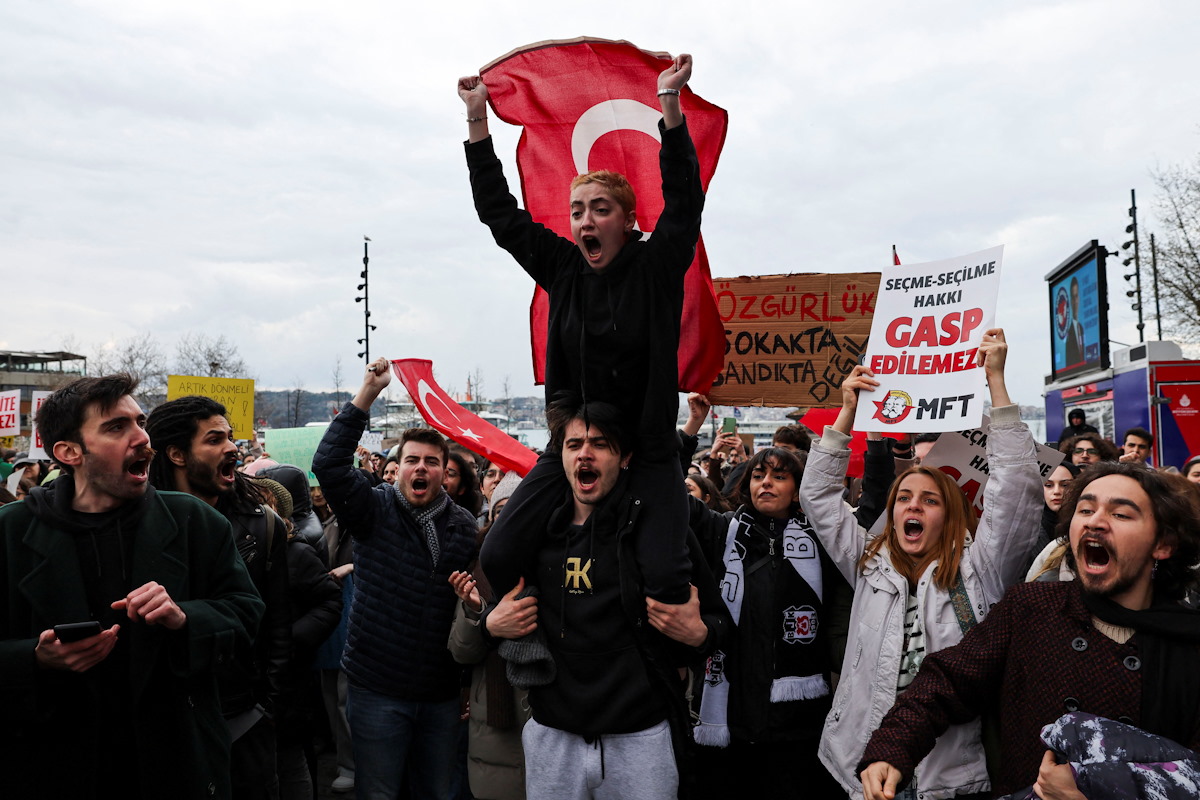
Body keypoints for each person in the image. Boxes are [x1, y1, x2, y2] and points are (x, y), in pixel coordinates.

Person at [460, 53, 702, 610]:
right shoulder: (564, 267)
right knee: (497, 554)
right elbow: (499, 214)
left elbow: (685, 201)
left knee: (664, 574)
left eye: (600, 209)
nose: (586, 221)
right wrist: (477, 123)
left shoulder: (657, 266)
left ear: (628, 221)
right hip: (577, 445)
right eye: (577, 212)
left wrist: (669, 103)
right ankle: (549, 636)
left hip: (649, 451)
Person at [798, 328, 1044, 800]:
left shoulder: (981, 572)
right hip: (862, 766)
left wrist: (996, 383)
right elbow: (819, 499)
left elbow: (1016, 493)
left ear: (950, 517)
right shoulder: (868, 564)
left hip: (947, 777)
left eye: (929, 500)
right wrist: (848, 412)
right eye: (903, 497)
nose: (912, 507)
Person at [858, 462, 1200, 800]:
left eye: (1121, 515)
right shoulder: (1031, 608)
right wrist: (893, 747)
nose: (1095, 521)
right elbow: (948, 680)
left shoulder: (1188, 644)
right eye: (1085, 509)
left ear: (1164, 544)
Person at [0, 373, 263, 799]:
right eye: (116, 427)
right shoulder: (11, 533)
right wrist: (34, 659)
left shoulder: (195, 522)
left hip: (171, 764)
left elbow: (248, 615)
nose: (142, 438)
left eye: (139, 422)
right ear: (69, 452)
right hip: (52, 764)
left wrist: (185, 618)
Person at [477, 399, 730, 800]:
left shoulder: (656, 536)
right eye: (574, 444)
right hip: (553, 735)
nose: (585, 454)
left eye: (600, 444)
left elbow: (719, 622)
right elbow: (500, 600)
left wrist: (699, 634)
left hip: (640, 738)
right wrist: (490, 625)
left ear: (624, 457)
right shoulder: (537, 532)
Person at [312, 357, 478, 800]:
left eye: (430, 462)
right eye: (411, 461)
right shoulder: (373, 508)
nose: (420, 469)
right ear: (398, 467)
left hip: (440, 693)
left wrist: (464, 681)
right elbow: (328, 465)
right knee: (380, 792)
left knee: (439, 792)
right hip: (377, 688)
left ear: (445, 471)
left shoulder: (464, 528)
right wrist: (368, 393)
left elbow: (470, 610)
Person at [146, 395, 294, 800]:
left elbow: (276, 626)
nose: (232, 447)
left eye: (230, 437)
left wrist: (266, 707)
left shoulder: (262, 527)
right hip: (166, 723)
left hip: (243, 718)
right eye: (214, 440)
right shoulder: (135, 526)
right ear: (176, 454)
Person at [685, 446, 850, 798]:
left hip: (797, 724)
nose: (767, 484)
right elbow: (671, 499)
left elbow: (871, 509)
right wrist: (689, 431)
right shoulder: (721, 532)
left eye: (779, 476)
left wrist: (882, 443)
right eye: (759, 476)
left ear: (797, 488)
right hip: (730, 715)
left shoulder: (823, 541)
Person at [1025, 459, 1082, 582]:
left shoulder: (1086, 525)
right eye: (1048, 485)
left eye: (1065, 485)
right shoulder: (1026, 529)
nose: (1057, 491)